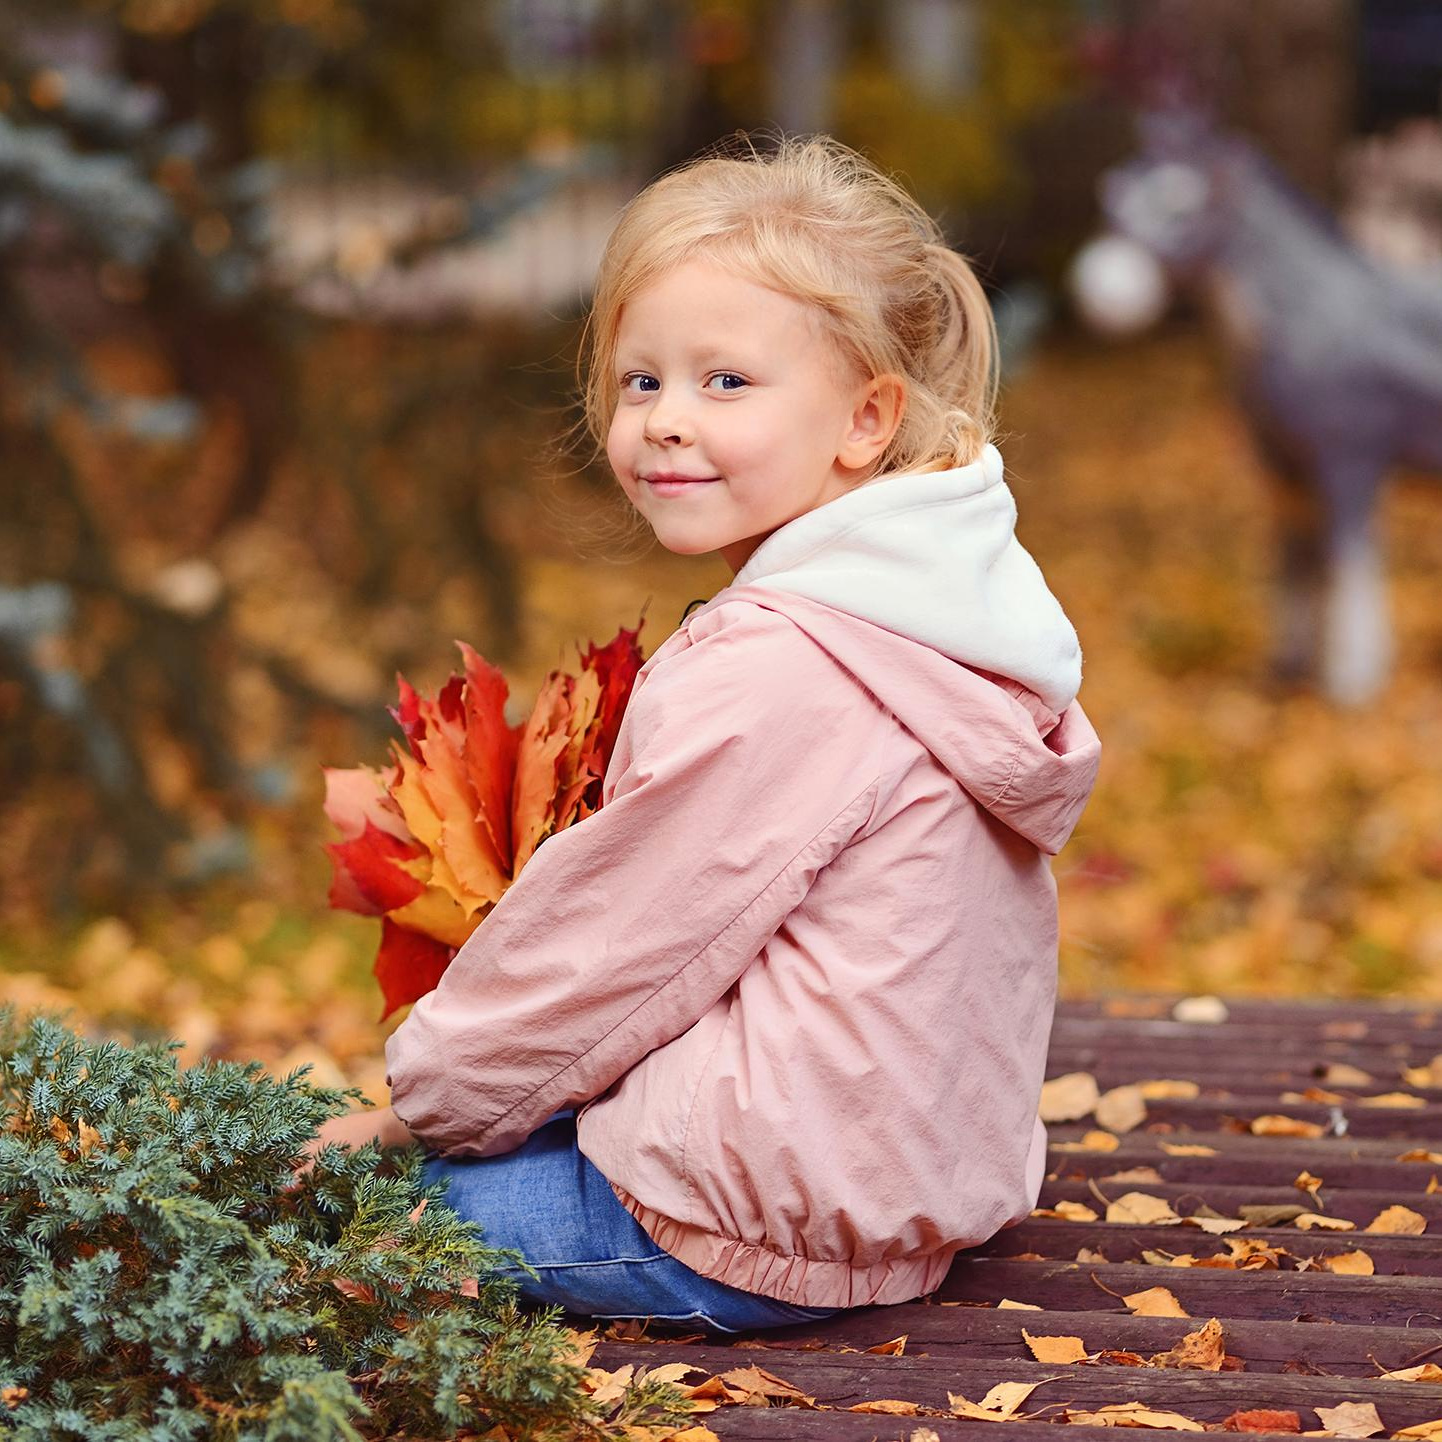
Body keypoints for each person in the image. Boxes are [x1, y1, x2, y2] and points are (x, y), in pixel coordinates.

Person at [311, 134, 1101, 1332]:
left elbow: (617, 940)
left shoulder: (781, 665)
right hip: (879, 1186)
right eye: (642, 381)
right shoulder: (937, 606)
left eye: (724, 383)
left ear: (863, 417)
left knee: (309, 1211)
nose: (666, 422)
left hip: (724, 1226)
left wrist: (426, 1100)